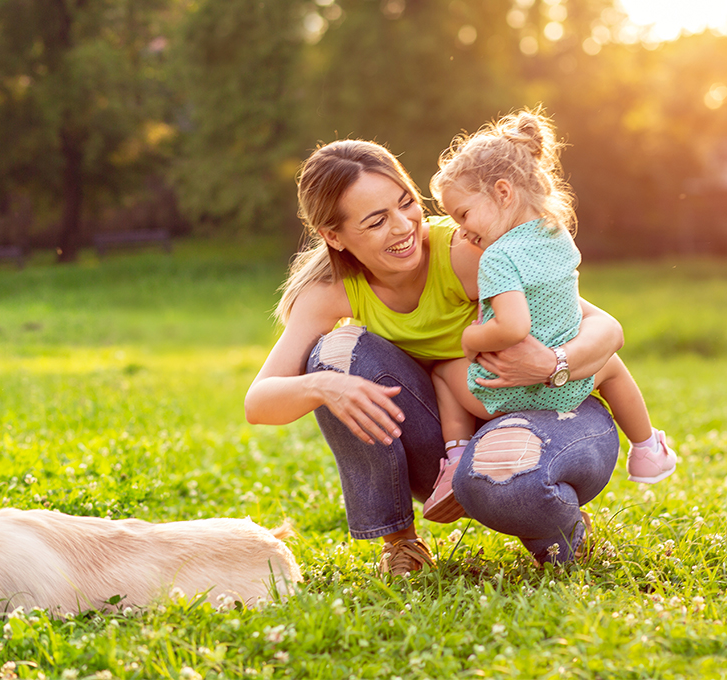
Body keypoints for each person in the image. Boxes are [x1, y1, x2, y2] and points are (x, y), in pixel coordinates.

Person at [244, 138, 625, 575]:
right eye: (376, 221)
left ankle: (561, 533)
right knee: (335, 357)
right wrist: (323, 386)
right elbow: (258, 403)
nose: (404, 226)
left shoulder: (471, 252)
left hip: (557, 414)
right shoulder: (328, 293)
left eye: (406, 203)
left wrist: (553, 362)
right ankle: (401, 546)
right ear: (335, 236)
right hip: (454, 445)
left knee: (503, 469)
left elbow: (607, 328)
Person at [422, 109, 677, 523]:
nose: (462, 232)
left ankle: (456, 458)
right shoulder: (556, 233)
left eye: (464, 215)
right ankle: (647, 448)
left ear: (503, 192)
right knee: (611, 367)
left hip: (506, 394)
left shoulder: (499, 257)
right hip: (571, 383)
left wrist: (472, 340)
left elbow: (513, 328)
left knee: (442, 375)